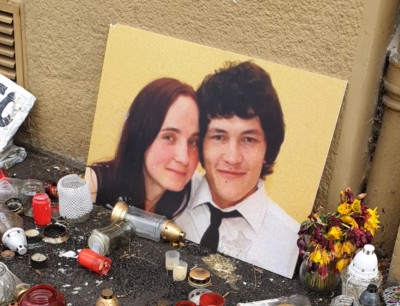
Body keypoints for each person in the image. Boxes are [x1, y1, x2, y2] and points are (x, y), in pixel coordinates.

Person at [174, 61, 300, 279]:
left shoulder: (293, 243)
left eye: (249, 139)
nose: (232, 157)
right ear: (200, 142)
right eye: (219, 137)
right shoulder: (169, 196)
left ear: (268, 148)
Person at [85, 77, 200, 217]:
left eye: (193, 142)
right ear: (141, 136)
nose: (184, 158)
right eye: (169, 137)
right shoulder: (94, 185)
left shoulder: (188, 204)